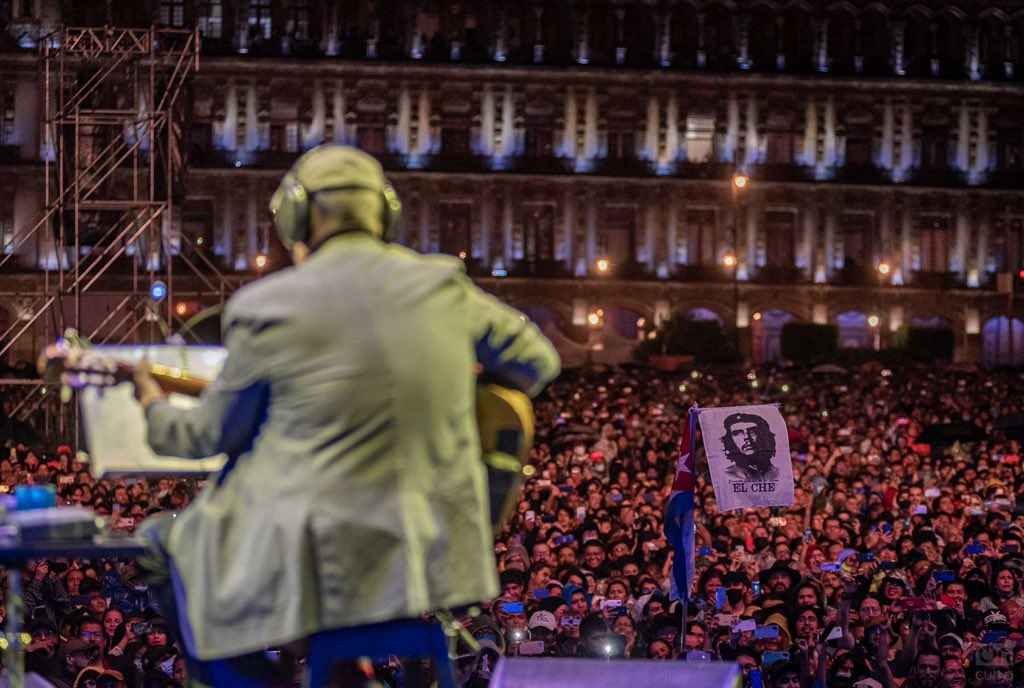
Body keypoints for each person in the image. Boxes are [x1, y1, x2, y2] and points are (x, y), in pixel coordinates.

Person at [132, 145, 560, 686]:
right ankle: (346, 675)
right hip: (430, 548)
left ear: (296, 215)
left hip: (317, 555)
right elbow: (539, 362)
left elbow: (206, 436)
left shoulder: (265, 306)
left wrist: (151, 400)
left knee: (156, 543)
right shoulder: (444, 285)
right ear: (385, 212)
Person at [720, 412, 780, 481]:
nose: (746, 437)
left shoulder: (779, 474)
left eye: (752, 432)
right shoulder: (726, 477)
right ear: (730, 440)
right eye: (738, 433)